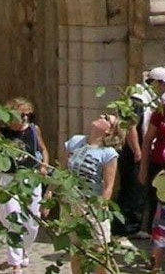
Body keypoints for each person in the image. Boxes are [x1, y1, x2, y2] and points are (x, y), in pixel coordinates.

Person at [62, 114, 121, 274]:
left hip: (93, 205)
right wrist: (49, 194)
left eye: (107, 118)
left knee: (100, 250)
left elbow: (108, 186)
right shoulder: (75, 141)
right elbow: (61, 171)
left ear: (109, 131)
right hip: (72, 202)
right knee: (77, 248)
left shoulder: (108, 153)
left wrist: (99, 208)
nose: (101, 116)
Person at [122, 68, 165, 235]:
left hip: (145, 151)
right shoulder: (138, 99)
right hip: (134, 152)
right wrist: (138, 152)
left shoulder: (151, 98)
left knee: (142, 188)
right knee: (134, 189)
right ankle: (128, 228)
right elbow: (130, 126)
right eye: (164, 85)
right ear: (154, 82)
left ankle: (138, 226)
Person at [0, 97, 47, 272]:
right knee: (13, 217)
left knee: (33, 221)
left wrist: (43, 165)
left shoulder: (34, 130)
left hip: (31, 178)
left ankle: (23, 249)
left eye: (28, 115)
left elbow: (42, 149)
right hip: (9, 178)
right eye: (22, 115)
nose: (25, 118)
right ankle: (15, 263)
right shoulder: (1, 134)